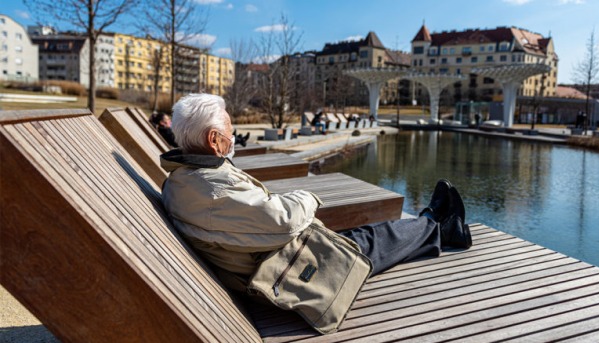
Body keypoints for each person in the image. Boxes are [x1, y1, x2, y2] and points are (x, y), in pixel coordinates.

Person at [160, 94, 471, 326]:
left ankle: (438, 226)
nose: (232, 136)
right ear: (214, 140)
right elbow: (282, 221)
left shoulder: (182, 181)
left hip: (268, 260)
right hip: (284, 273)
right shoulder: (212, 188)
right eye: (229, 131)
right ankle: (436, 223)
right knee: (373, 240)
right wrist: (308, 196)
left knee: (356, 237)